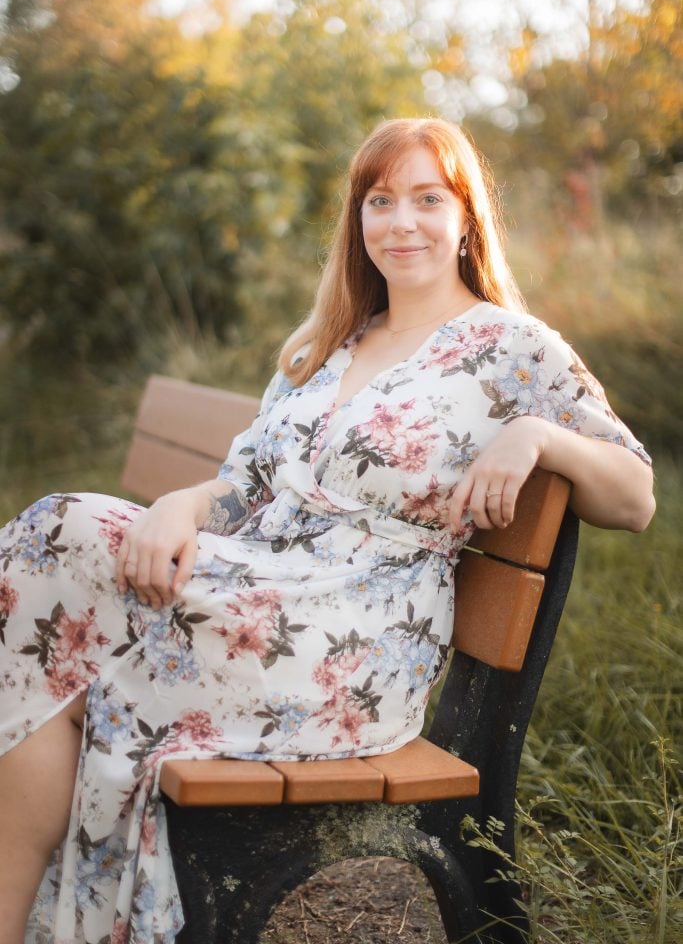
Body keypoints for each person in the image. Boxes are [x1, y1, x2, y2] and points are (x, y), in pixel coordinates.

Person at [0, 117, 654, 944]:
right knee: (50, 619)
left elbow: (635, 498)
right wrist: (177, 506)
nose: (400, 222)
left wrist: (538, 436)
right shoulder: (330, 346)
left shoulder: (508, 348)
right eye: (379, 201)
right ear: (358, 221)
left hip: (351, 644)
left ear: (465, 219)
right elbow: (244, 493)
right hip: (265, 591)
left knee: (56, 551)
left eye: (426, 198)